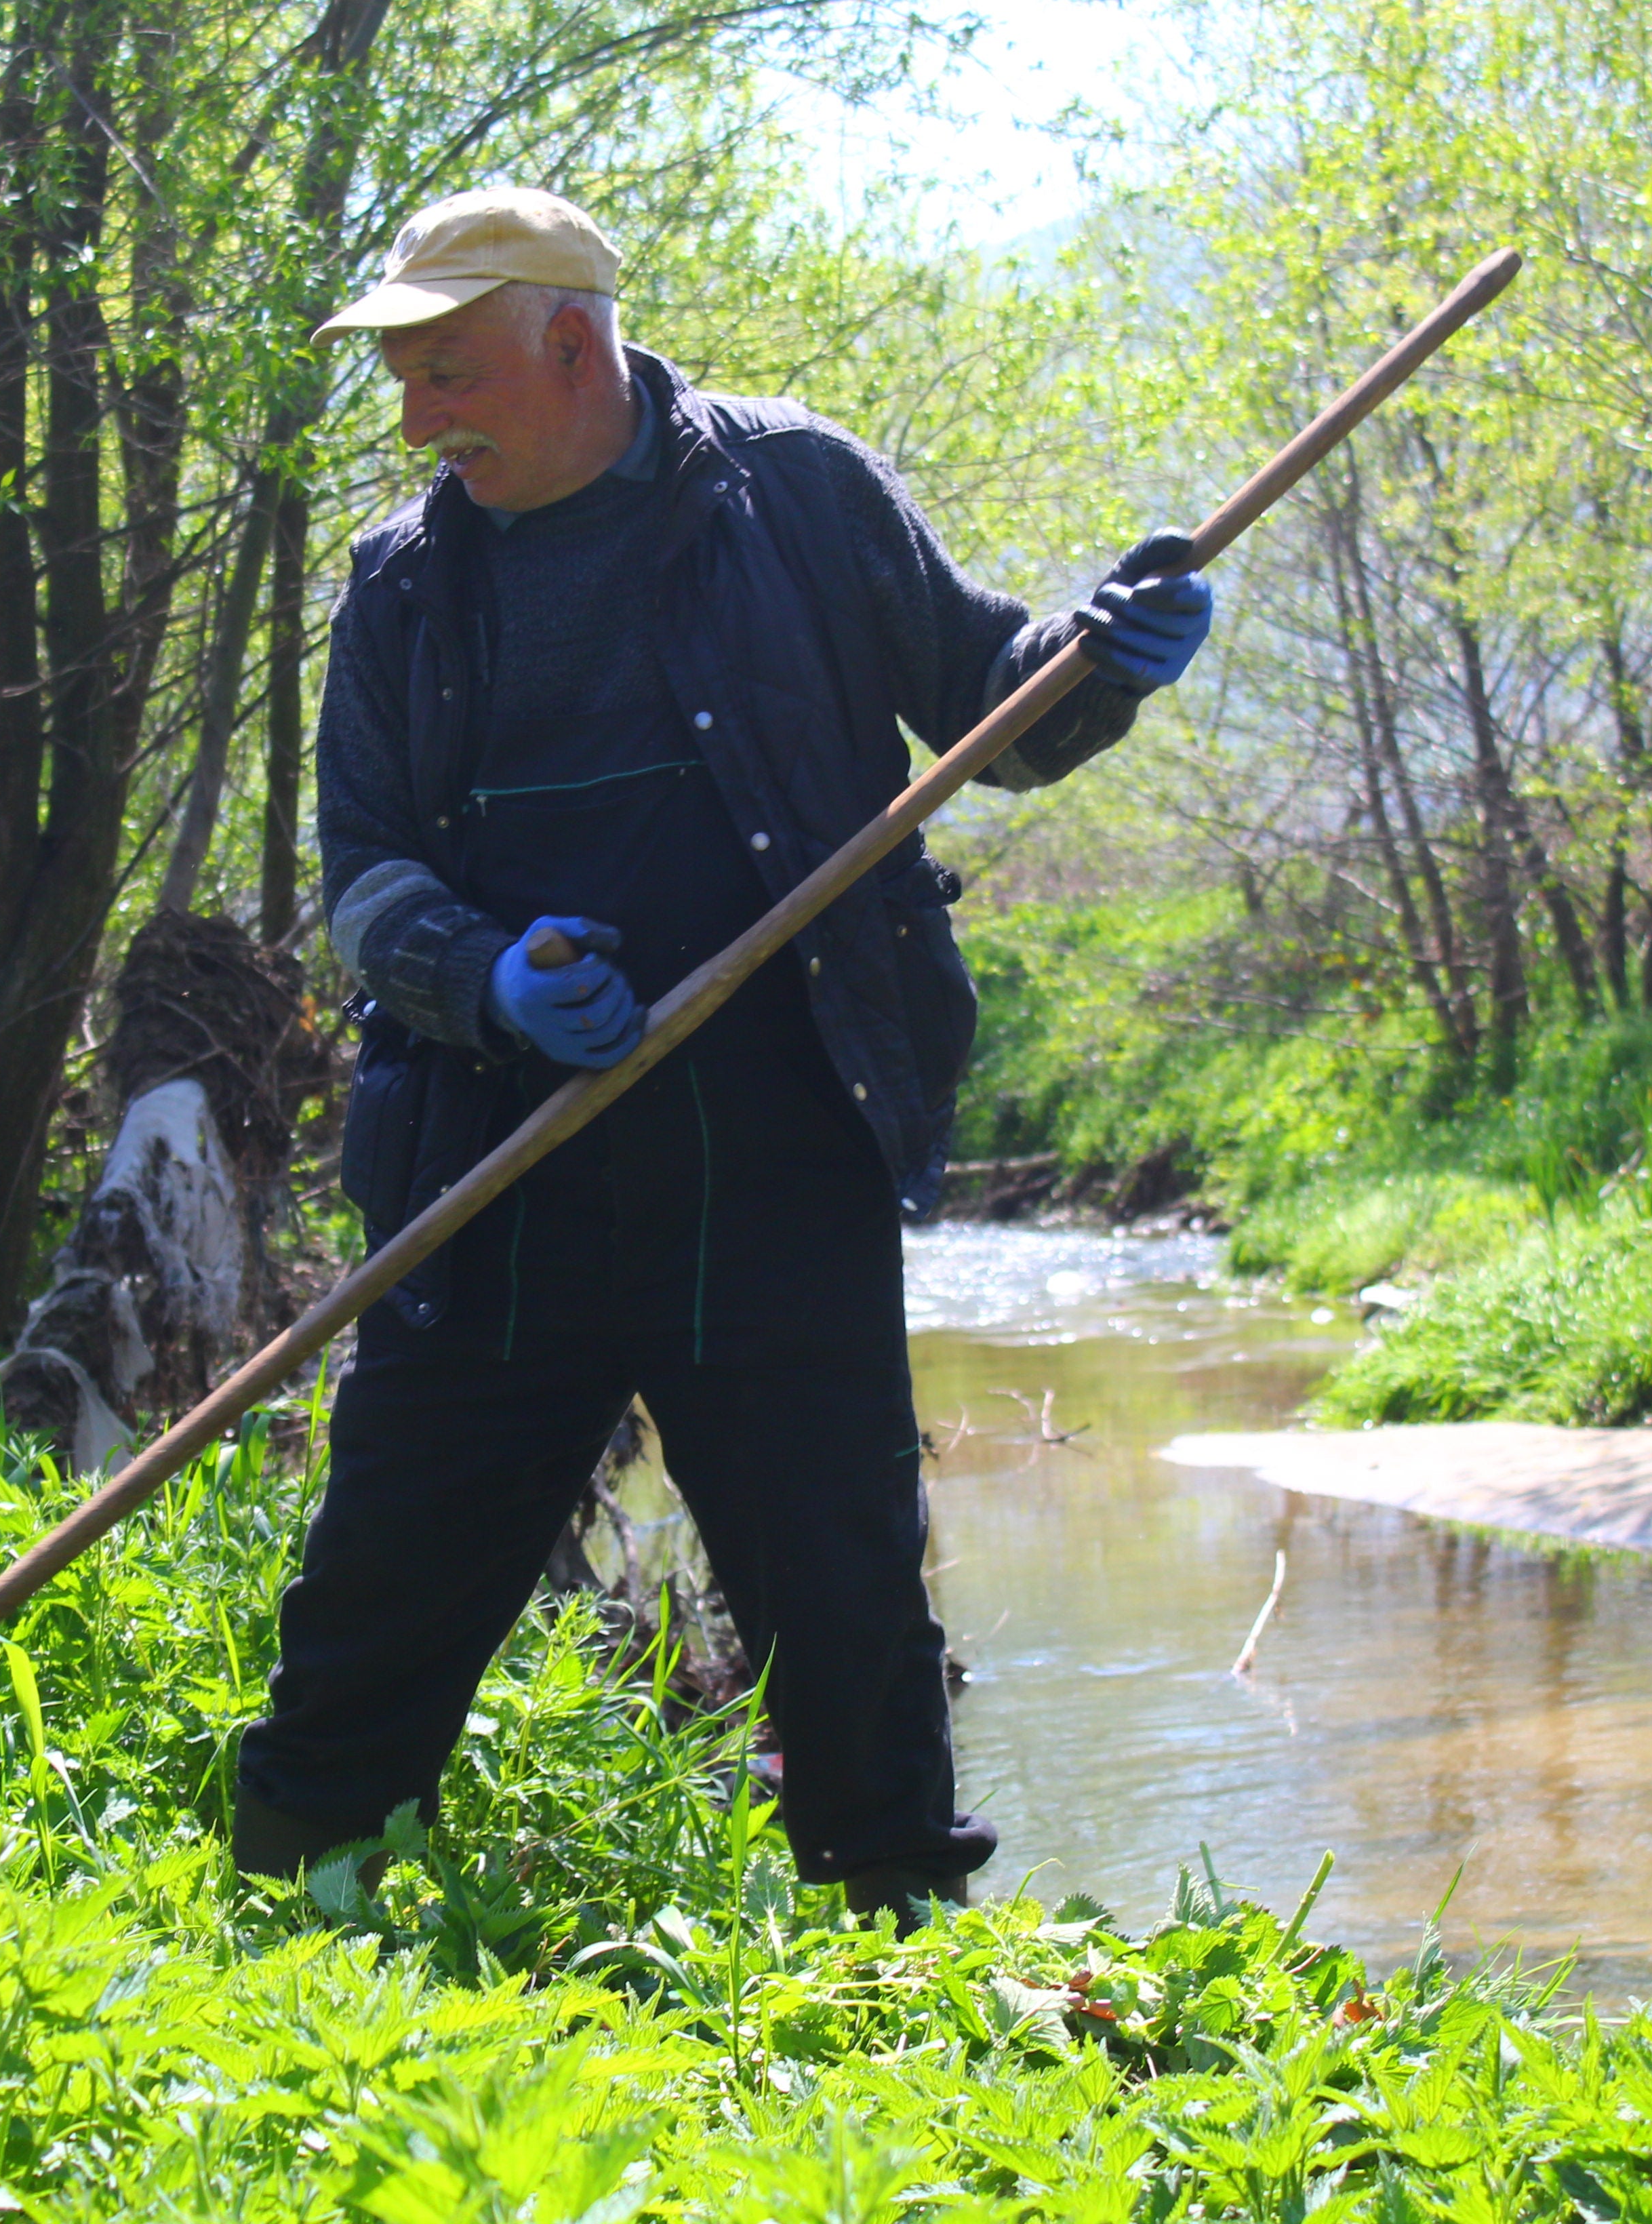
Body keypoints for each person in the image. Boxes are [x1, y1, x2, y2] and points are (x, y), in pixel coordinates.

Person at [231, 186, 1214, 1922]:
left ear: (570, 337)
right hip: (494, 1170)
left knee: (844, 1594)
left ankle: (893, 1931)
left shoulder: (800, 491)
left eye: (446, 372)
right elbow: (364, 881)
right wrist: (487, 979)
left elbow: (991, 696)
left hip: (780, 1158)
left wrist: (1099, 658)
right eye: (402, 381)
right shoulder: (396, 591)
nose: (418, 420)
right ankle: (300, 1901)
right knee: (385, 1579)